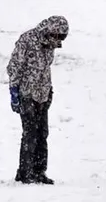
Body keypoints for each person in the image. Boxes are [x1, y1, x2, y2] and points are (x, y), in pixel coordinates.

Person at [7, 15, 68, 185]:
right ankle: (25, 172)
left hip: (43, 95)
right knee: (30, 134)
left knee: (42, 134)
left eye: (61, 38)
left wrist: (49, 92)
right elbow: (14, 66)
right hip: (27, 94)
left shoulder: (50, 45)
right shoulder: (27, 40)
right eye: (56, 36)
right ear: (49, 31)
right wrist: (14, 91)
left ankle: (39, 171)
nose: (57, 41)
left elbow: (44, 69)